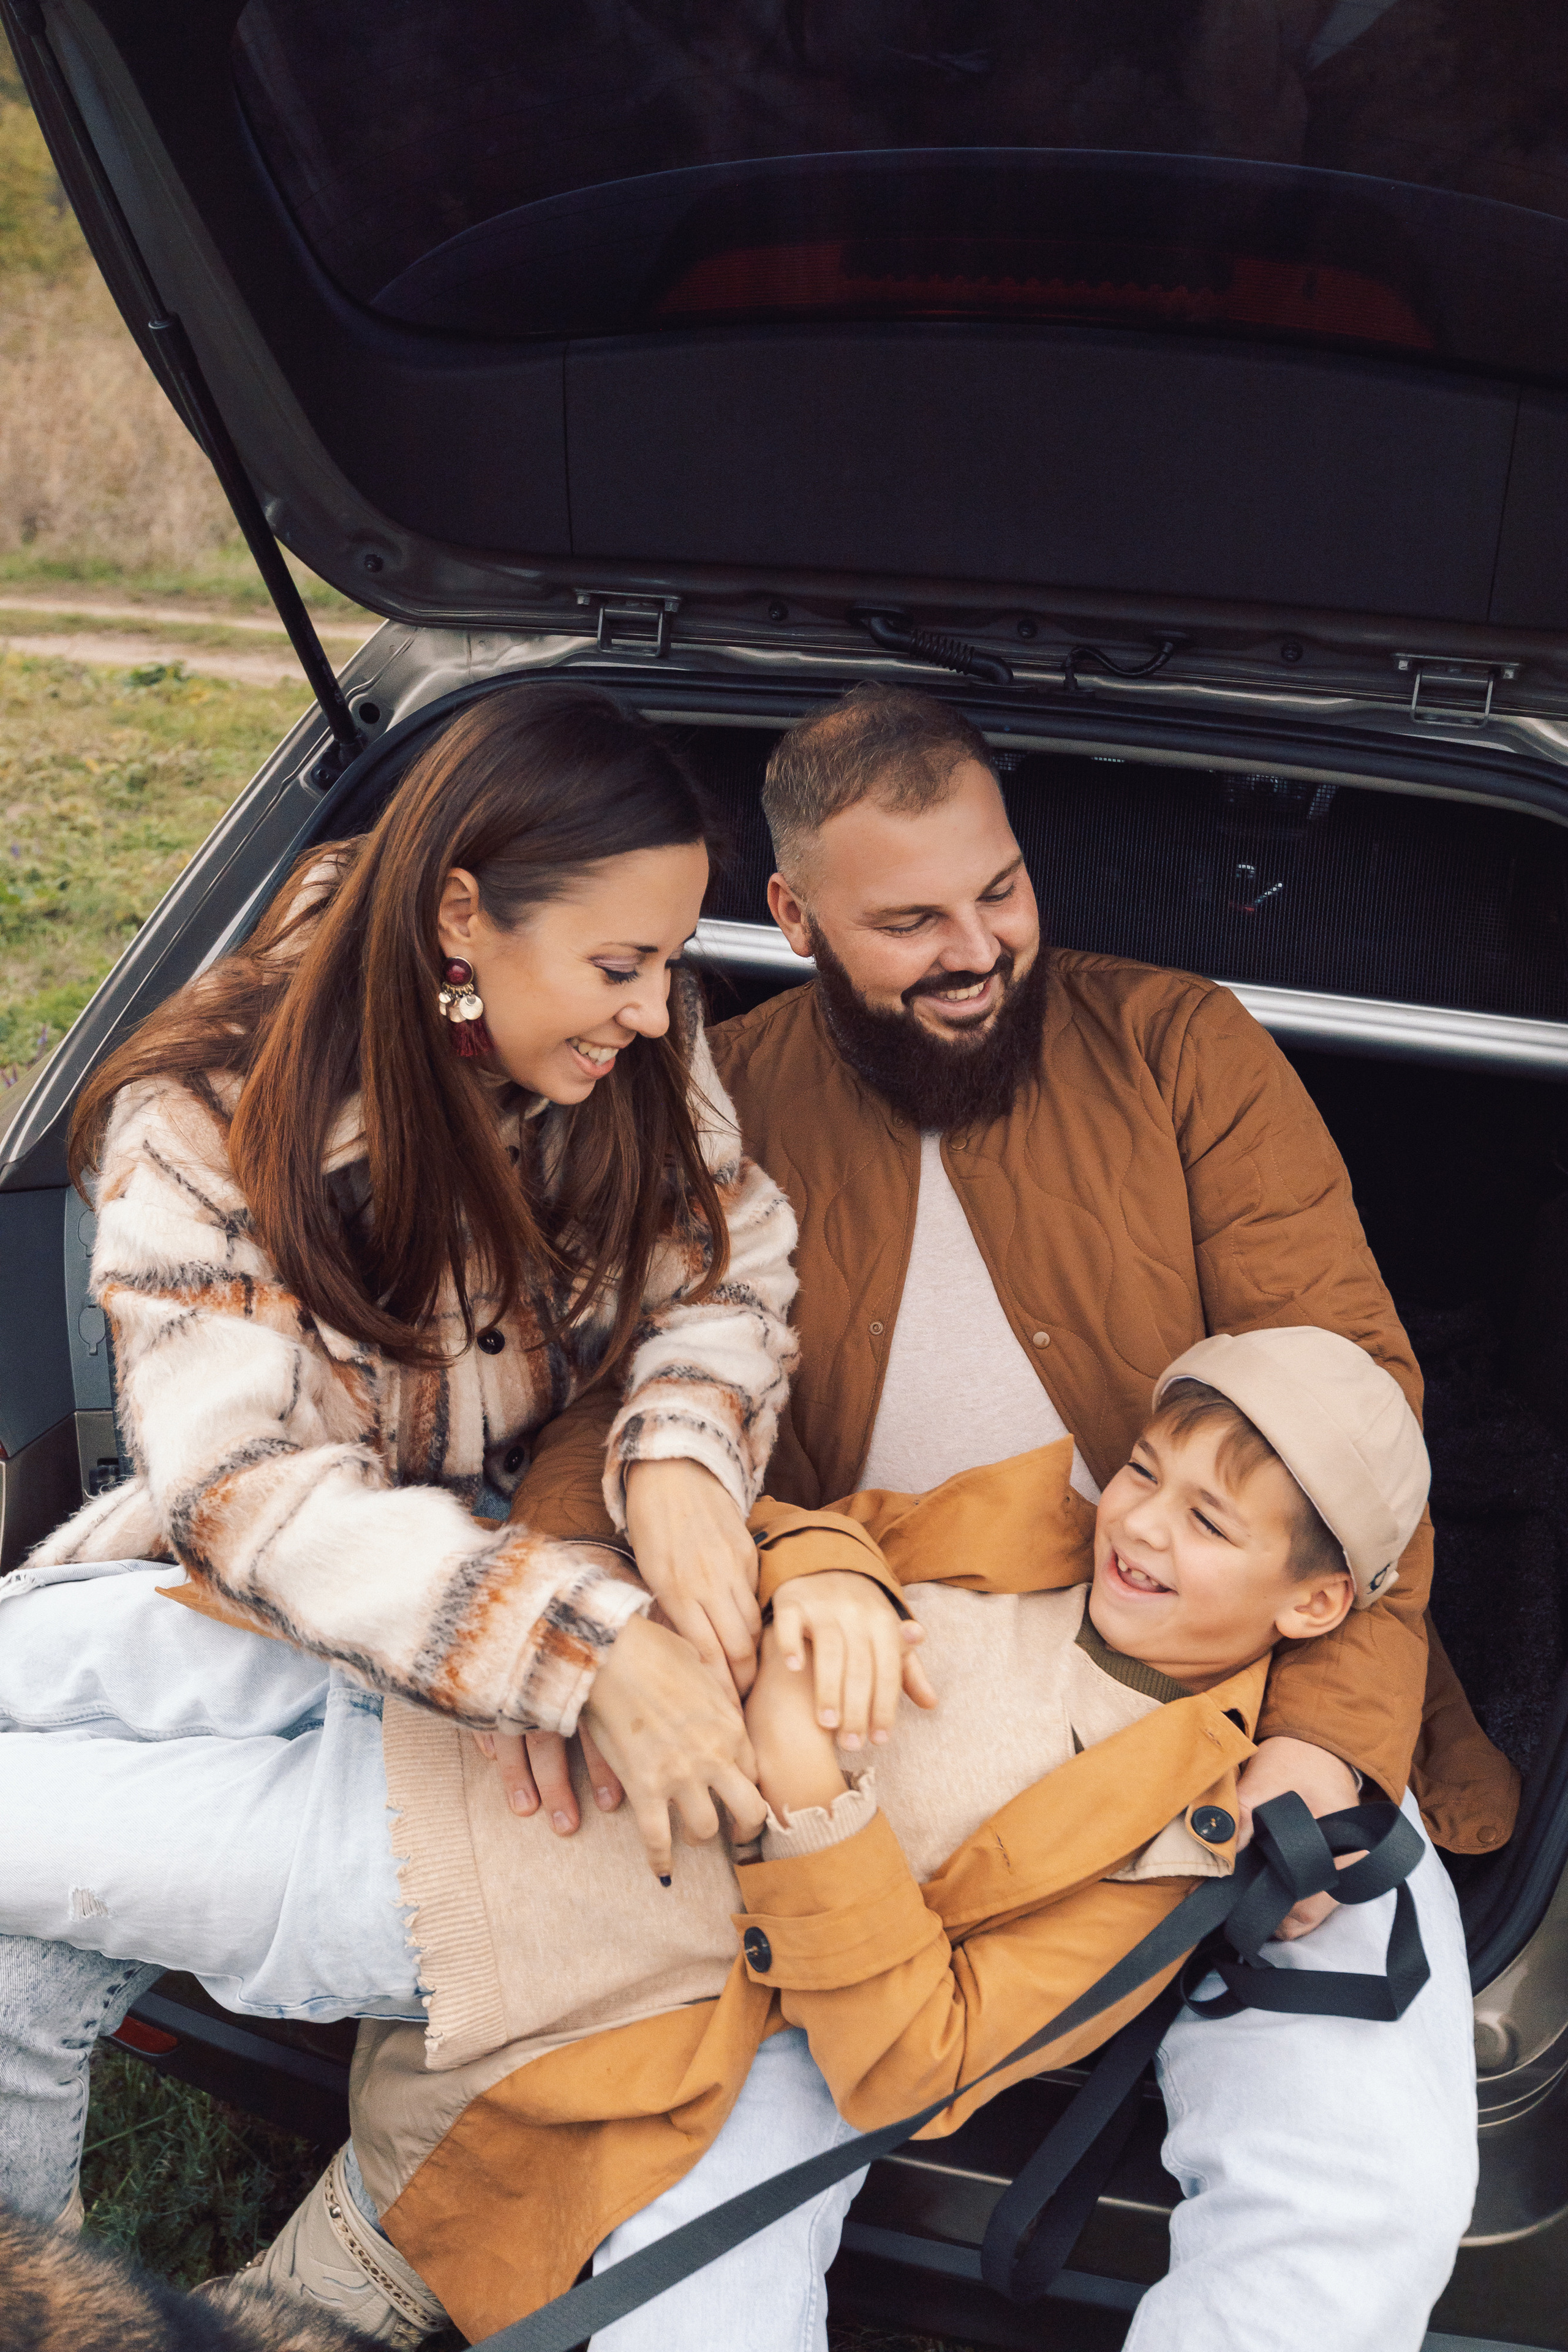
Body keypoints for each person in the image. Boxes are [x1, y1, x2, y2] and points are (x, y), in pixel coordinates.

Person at [488, 682, 1513, 2351]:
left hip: (1221, 1697)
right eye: (909, 920)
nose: (975, 949)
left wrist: (1325, 1749)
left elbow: (1355, 1411)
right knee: (687, 2238)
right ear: (795, 917)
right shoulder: (710, 1102)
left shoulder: (1184, 1046)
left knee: (1357, 2198)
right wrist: (571, 1629)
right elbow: (605, 1415)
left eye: (1002, 892)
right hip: (866, 1719)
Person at [0, 682, 801, 2342]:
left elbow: (728, 1277)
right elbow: (244, 1496)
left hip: (526, 1566)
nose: (658, 1014)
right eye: (620, 967)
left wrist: (675, 1459)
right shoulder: (200, 1110)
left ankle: (322, 2281)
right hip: (271, 1587)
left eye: (672, 963)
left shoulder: (640, 1048)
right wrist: (583, 1653)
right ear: (460, 918)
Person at [323, 1327, 1457, 2352]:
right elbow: (735, 1448)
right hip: (708, 1737)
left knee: (1352, 2203)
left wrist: (1325, 1738)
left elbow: (1353, 1447)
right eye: (1145, 1475)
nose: (1150, 1516)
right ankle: (351, 2268)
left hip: (880, 1924)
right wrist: (633, 1585)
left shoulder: (1184, 1815)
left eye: (1202, 1515)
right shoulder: (1025, 1521)